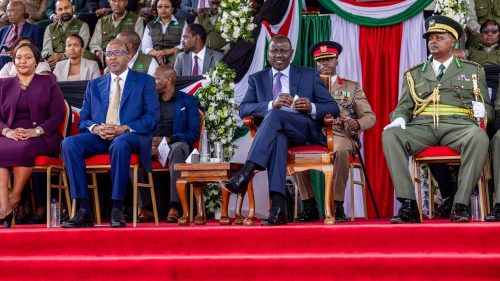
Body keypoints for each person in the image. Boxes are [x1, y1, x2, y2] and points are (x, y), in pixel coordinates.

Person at [382, 15, 493, 224]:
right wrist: (398, 119)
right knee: (390, 134)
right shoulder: (414, 74)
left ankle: (460, 205)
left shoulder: (472, 71)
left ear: (452, 41)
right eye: (430, 38)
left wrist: (482, 112)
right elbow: (404, 107)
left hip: (457, 126)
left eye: (439, 37)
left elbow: (488, 107)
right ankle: (408, 205)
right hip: (422, 127)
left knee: (478, 136)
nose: (432, 41)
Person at [220, 35, 339, 226]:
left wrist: (311, 107)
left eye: (283, 50)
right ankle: (278, 209)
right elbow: (244, 109)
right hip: (275, 134)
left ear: (291, 53)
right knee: (278, 136)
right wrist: (271, 103)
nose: (279, 55)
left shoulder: (309, 74)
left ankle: (247, 171)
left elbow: (333, 108)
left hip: (303, 130)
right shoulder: (256, 79)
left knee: (274, 116)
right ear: (268, 54)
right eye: (274, 50)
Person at [61, 39, 159, 228]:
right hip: (101, 136)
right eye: (108, 54)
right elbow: (84, 120)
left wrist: (123, 128)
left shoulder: (144, 81)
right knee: (69, 144)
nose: (112, 57)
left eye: (117, 53)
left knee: (120, 143)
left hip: (131, 136)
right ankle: (83, 209)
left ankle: (117, 207)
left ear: (128, 56)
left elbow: (152, 118)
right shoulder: (95, 84)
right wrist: (96, 128)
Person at [293, 41, 376, 223]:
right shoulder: (304, 86)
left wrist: (357, 123)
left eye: (329, 59)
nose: (325, 64)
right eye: (320, 61)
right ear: (316, 63)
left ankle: (337, 204)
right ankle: (309, 204)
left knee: (341, 150)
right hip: (311, 132)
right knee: (292, 149)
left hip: (339, 133)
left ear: (336, 61)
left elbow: (370, 117)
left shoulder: (350, 87)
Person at [0, 42, 66, 228]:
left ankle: (16, 196)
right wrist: (7, 131)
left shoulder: (48, 82)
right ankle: (5, 206)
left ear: (36, 62)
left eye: (28, 57)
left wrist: (36, 131)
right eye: (19, 57)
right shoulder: (3, 84)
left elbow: (58, 113)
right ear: (13, 62)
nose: (23, 61)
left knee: (24, 147)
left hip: (42, 135)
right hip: (9, 134)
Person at [147, 64, 200, 223]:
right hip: (153, 146)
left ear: (169, 80)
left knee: (177, 149)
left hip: (178, 145)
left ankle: (175, 206)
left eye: (156, 78)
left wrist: (170, 139)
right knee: (128, 148)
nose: (153, 82)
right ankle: (145, 208)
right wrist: (150, 145)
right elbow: (142, 127)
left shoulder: (188, 101)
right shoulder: (149, 102)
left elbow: (193, 133)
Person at [89, 0, 144, 67]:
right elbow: (94, 44)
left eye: (120, 1)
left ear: (126, 3)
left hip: (127, 59)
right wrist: (98, 52)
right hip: (105, 58)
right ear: (109, 2)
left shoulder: (137, 20)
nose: (117, 3)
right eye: (114, 0)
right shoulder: (102, 21)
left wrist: (128, 57)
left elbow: (139, 44)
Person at [42, 0, 91, 69]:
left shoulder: (83, 26)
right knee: (41, 67)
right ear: (56, 12)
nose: (64, 12)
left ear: (73, 8)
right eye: (60, 9)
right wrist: (50, 58)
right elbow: (46, 50)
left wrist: (61, 56)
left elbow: (79, 49)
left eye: (66, 8)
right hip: (53, 63)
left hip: (74, 60)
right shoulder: (50, 28)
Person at [142, 0, 186, 66]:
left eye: (167, 7)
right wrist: (157, 54)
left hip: (175, 56)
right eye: (160, 7)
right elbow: (145, 47)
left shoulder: (182, 22)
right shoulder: (150, 25)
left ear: (172, 9)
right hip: (155, 57)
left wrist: (165, 52)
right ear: (157, 9)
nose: (163, 9)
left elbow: (185, 44)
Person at [0, 1, 43, 69]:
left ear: (21, 11)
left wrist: (17, 53)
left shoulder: (35, 30)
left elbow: (38, 52)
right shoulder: (2, 31)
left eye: (11, 11)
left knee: (2, 58)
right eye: (7, 11)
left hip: (20, 62)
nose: (8, 14)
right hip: (2, 62)